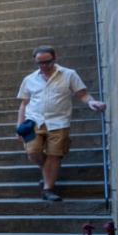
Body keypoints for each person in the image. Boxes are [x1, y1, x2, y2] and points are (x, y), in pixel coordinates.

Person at [17, 45, 107, 202]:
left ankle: (48, 189)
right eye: (40, 63)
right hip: (34, 121)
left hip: (59, 122)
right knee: (33, 152)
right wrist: (19, 126)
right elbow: (24, 104)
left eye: (47, 62)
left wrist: (91, 102)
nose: (44, 66)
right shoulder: (29, 79)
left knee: (54, 155)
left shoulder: (69, 74)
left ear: (54, 58)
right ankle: (47, 172)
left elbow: (82, 94)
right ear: (35, 61)